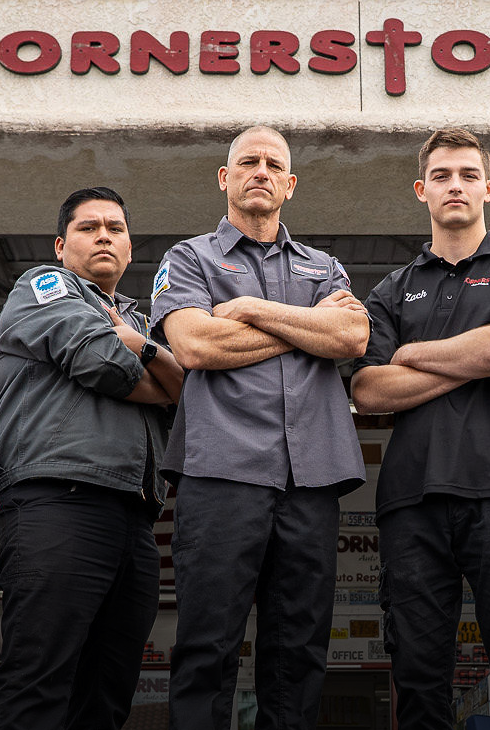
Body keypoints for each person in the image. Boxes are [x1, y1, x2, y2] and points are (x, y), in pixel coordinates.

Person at [153, 126, 370, 730]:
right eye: (248, 161)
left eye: (274, 164)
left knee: (299, 650)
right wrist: (307, 327)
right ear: (225, 178)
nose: (261, 171)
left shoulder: (323, 266)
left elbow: (353, 336)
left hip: (312, 479)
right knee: (208, 644)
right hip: (220, 472)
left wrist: (250, 310)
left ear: (289, 184)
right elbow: (195, 345)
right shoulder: (189, 258)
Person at [350, 129, 490, 730]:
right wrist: (471, 359)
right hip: (411, 501)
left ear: (488, 188)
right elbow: (368, 391)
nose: (455, 185)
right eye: (441, 176)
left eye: (468, 175)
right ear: (422, 190)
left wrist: (412, 355)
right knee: (418, 683)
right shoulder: (391, 289)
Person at [0, 186, 184, 729]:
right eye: (88, 227)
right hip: (58, 501)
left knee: (107, 693)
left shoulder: (141, 322)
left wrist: (142, 347)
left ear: (130, 248)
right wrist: (160, 374)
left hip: (135, 519)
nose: (103, 237)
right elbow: (101, 362)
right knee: (37, 681)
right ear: (60, 245)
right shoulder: (43, 286)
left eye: (115, 229)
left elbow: (189, 398)